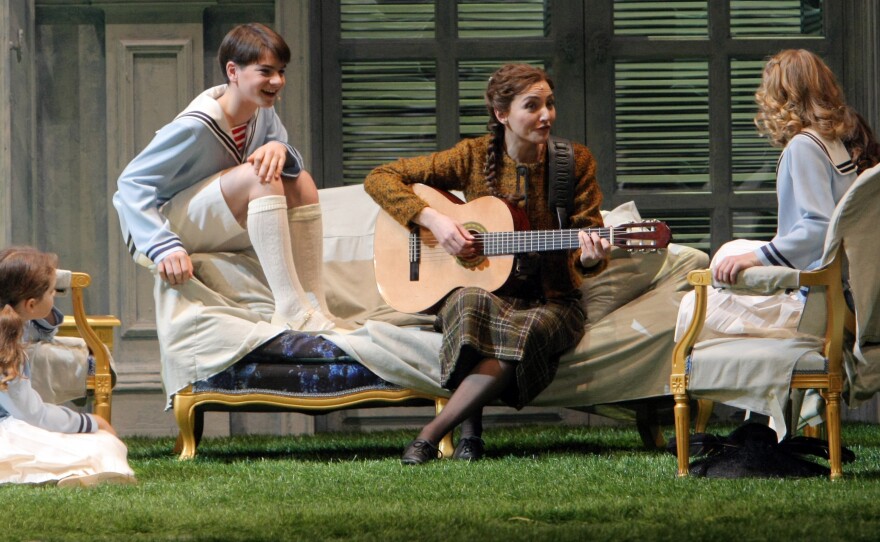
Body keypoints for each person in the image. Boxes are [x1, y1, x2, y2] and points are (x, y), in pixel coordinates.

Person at [364, 63, 610, 464]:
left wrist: (588, 257)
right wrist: (434, 220)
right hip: (487, 292)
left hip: (551, 299)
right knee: (468, 301)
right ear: (501, 114)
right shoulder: (473, 155)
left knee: (527, 331)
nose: (546, 115)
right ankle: (471, 434)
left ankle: (431, 435)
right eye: (532, 106)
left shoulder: (573, 161)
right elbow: (380, 177)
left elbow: (587, 238)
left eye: (549, 104)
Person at [113, 23, 335, 332]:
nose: (277, 81)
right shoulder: (196, 125)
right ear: (233, 71)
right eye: (266, 71)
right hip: (164, 228)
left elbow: (285, 165)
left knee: (301, 182)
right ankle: (290, 309)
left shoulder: (262, 113)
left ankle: (314, 303)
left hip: (220, 216)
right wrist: (163, 245)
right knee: (260, 175)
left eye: (281, 72)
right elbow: (130, 183)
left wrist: (280, 148)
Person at [676, 49, 880, 342]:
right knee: (728, 253)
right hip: (836, 282)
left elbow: (820, 226)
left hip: (817, 293)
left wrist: (756, 258)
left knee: (695, 305)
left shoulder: (804, 146)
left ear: (782, 96)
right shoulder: (833, 142)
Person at [0, 246, 135, 487]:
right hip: (9, 429)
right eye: (51, 292)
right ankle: (76, 473)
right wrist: (90, 421)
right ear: (30, 305)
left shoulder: (12, 326)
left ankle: (77, 473)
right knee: (104, 444)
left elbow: (41, 330)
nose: (54, 296)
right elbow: (32, 414)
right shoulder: (7, 350)